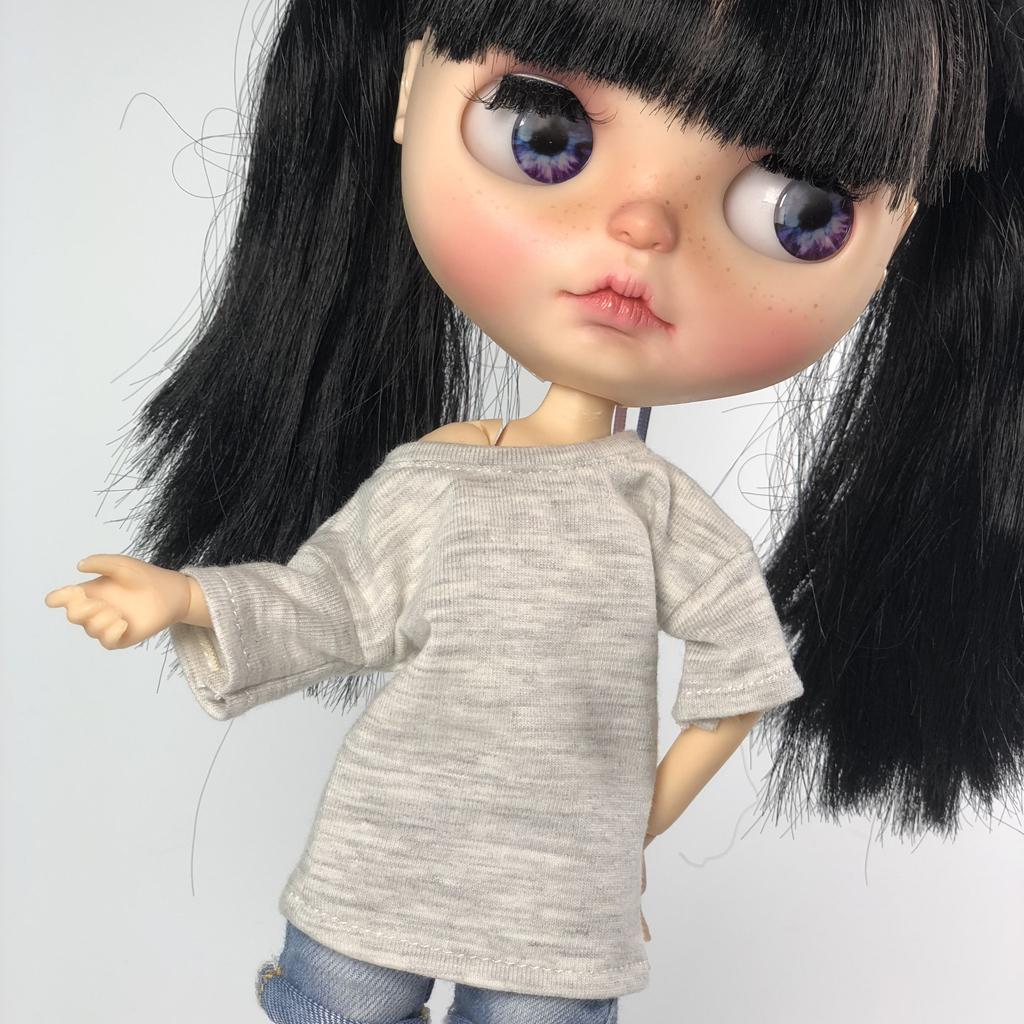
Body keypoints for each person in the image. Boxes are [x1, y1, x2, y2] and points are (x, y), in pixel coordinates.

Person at [44, 1, 1024, 1021]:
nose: (643, 228)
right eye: (544, 129)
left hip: (560, 909)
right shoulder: (439, 474)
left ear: (902, 231)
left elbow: (739, 674)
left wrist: (630, 827)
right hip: (382, 856)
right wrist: (188, 600)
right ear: (410, 86)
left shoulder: (655, 511)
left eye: (797, 205)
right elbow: (334, 605)